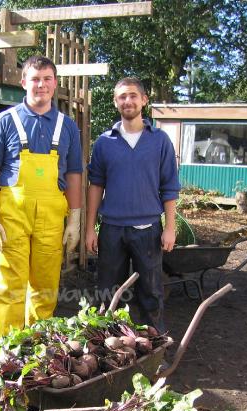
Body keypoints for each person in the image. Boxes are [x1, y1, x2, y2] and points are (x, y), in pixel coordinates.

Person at [0, 56, 83, 337]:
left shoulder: (67, 126)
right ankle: (9, 350)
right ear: (24, 82)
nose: (41, 85)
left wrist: (75, 220)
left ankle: (37, 350)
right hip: (12, 216)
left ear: (55, 84)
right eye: (35, 79)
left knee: (45, 287)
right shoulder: (5, 121)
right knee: (10, 286)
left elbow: (74, 176)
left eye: (47, 79)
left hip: (51, 217)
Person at [85, 77, 180, 332]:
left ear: (144, 100)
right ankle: (106, 346)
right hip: (112, 229)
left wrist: (169, 227)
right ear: (116, 102)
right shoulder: (105, 142)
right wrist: (90, 228)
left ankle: (155, 346)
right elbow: (96, 186)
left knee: (151, 292)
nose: (128, 101)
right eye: (122, 97)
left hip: (148, 229)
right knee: (107, 293)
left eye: (133, 96)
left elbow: (170, 186)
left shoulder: (160, 141)